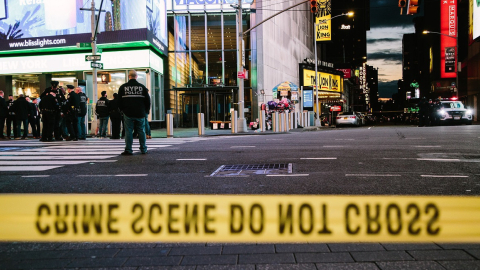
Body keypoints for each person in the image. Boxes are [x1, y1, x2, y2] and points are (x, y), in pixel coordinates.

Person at [118, 69, 151, 155]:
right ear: (136, 76)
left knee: (128, 131)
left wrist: (122, 110)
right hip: (140, 112)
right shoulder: (142, 87)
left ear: (129, 76)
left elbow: (119, 101)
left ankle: (128, 149)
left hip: (128, 112)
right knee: (141, 131)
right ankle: (143, 149)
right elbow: (148, 101)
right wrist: (146, 111)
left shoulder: (123, 87)